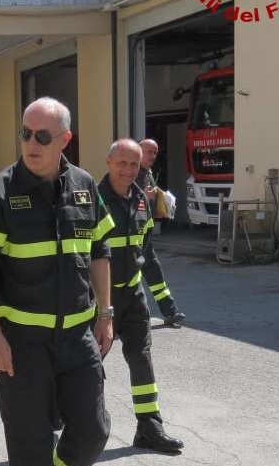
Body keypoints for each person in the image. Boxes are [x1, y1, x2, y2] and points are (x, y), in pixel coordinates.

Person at [0, 97, 113, 466]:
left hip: (78, 340)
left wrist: (106, 315)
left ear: (65, 139)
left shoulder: (84, 184)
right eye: (26, 134)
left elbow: (99, 251)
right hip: (23, 346)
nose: (32, 143)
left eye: (42, 136)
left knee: (92, 432)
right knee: (29, 448)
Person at [97, 139, 185, 453]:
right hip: (99, 301)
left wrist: (166, 303)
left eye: (134, 164)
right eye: (122, 163)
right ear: (108, 163)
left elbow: (145, 252)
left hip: (133, 298)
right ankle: (83, 432)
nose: (128, 170)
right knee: (89, 366)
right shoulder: (91, 201)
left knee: (142, 359)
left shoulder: (141, 201)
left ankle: (150, 427)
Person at [135, 138, 186, 326]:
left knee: (155, 273)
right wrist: (143, 195)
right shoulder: (130, 172)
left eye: (155, 153)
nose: (153, 156)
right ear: (139, 151)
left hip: (144, 235)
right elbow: (123, 200)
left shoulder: (146, 172)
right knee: (129, 279)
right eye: (149, 152)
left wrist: (158, 197)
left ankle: (170, 312)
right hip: (132, 237)